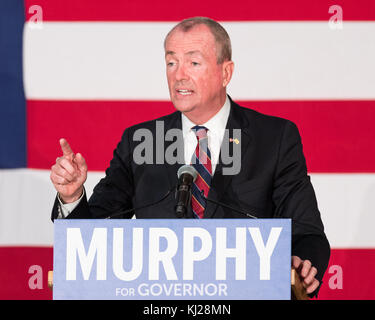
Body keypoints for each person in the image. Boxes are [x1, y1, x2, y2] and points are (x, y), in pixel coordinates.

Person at [50, 17, 330, 297]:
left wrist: (302, 263)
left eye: (193, 63)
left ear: (226, 72)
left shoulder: (274, 138)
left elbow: (307, 232)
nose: (179, 75)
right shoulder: (141, 141)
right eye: (171, 63)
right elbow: (90, 240)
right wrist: (73, 196)